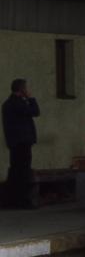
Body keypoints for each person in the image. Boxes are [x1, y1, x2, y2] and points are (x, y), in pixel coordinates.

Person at [2, 79, 40, 208]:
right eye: (25, 88)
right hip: (22, 142)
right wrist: (31, 98)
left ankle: (12, 200)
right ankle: (21, 200)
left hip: (14, 142)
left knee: (15, 170)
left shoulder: (7, 104)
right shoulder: (18, 104)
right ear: (21, 89)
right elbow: (35, 111)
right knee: (23, 171)